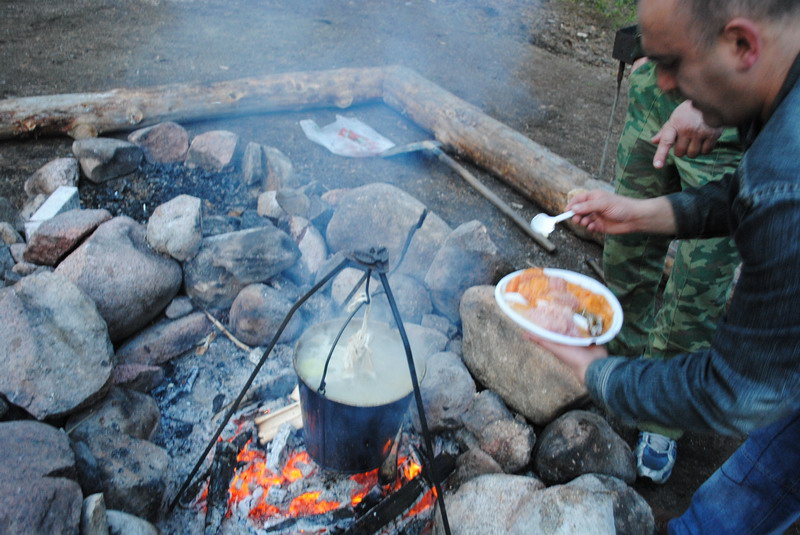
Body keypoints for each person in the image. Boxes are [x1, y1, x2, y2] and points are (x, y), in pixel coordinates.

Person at [536, 0, 800, 533]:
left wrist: (594, 370)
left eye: (673, 63)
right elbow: (748, 193)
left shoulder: (786, 179)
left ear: (743, 46)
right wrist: (644, 215)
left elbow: (737, 391)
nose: (661, 86)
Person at [604, 53, 742, 484]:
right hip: (658, 95)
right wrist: (662, 46)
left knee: (696, 288)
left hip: (733, 120)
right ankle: (622, 367)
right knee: (626, 247)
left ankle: (662, 417)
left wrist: (713, 100)